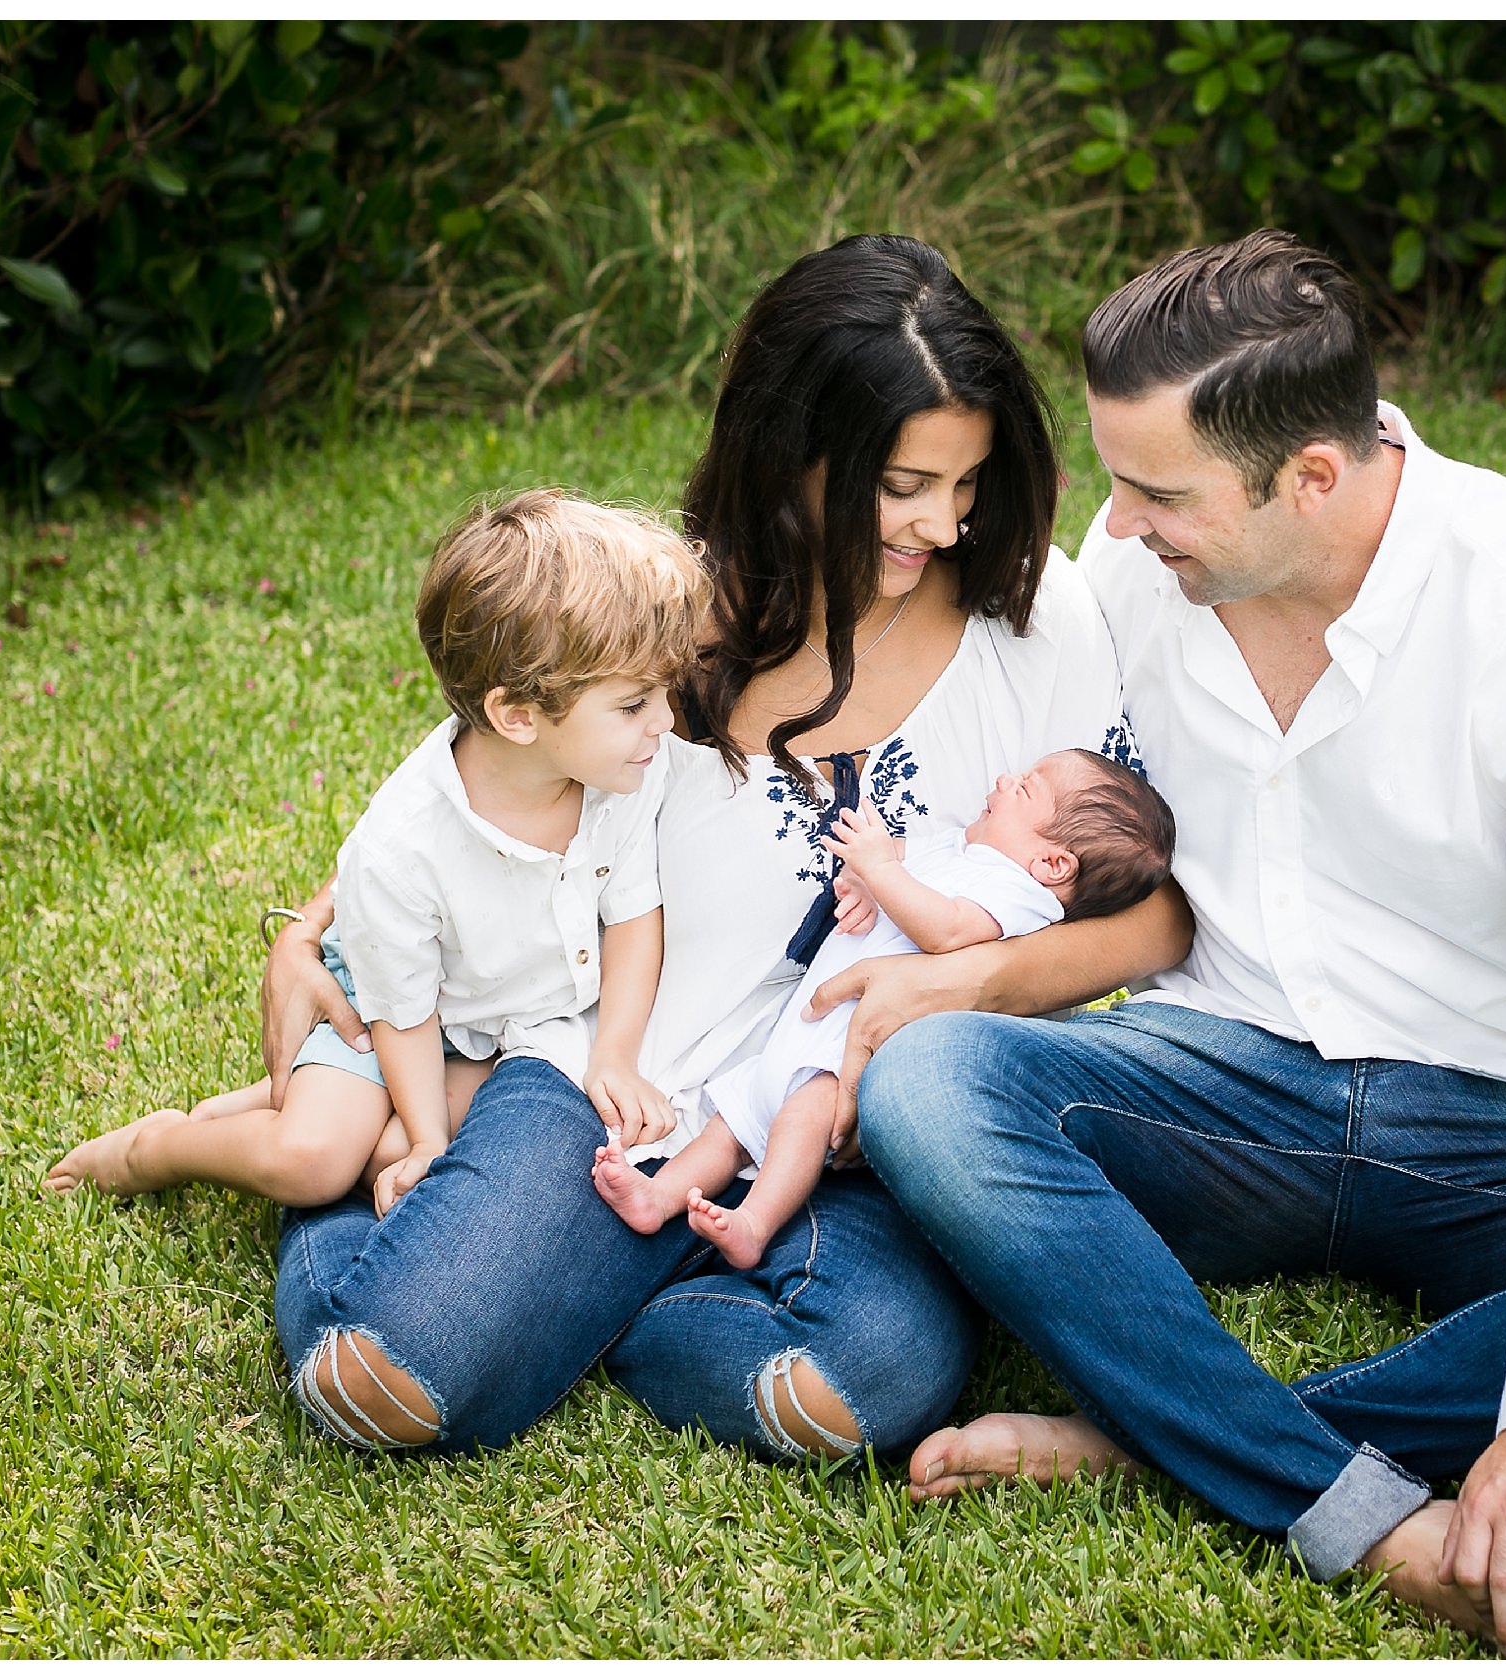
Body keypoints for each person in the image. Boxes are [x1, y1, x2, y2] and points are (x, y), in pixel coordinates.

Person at [828, 232, 1506, 1656]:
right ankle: (1330, 1491)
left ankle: (1172, 1442)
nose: (1113, 526)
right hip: (1215, 1088)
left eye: (1157, 492)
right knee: (932, 1084)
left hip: (1476, 1122)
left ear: (1311, 475)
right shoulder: (1127, 582)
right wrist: (965, 968)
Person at [256, 234, 1188, 1464]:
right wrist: (329, 939)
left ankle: (612, 1294)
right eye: (903, 484)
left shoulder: (1037, 619)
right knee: (381, 1386)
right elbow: (482, 792)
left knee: (851, 1387)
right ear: (793, 451)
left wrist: (959, 986)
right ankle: (377, 1203)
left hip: (857, 1131)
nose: (945, 526)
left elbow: (1155, 920)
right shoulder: (668, 614)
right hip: (627, 1086)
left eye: (965, 485)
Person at [44, 492, 702, 1227]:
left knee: (385, 1151)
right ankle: (158, 1149)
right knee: (316, 1159)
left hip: (500, 1026)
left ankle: (257, 1106)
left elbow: (636, 915)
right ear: (516, 716)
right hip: (394, 1012)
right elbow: (403, 1010)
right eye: (634, 703)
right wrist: (427, 1139)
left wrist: (613, 1055)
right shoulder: (403, 846)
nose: (665, 721)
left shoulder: (622, 780)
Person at [593, 749, 1174, 1267]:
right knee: (729, 1127)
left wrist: (883, 871)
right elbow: (900, 867)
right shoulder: (963, 847)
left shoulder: (1018, 895)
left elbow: (946, 930)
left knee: (801, 1118)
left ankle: (755, 1222)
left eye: (1025, 787)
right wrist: (864, 880)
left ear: (1053, 865)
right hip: (805, 1037)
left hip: (849, 1057)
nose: (1002, 777)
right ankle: (657, 1196)